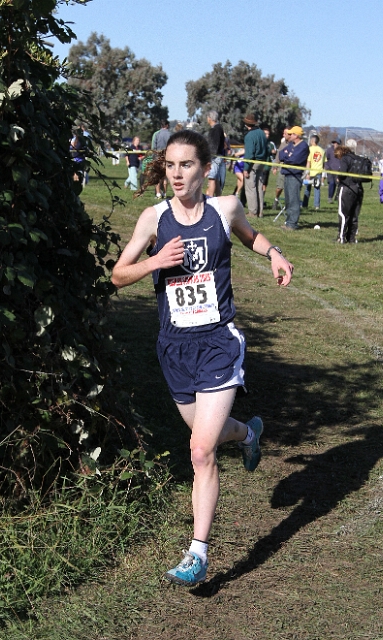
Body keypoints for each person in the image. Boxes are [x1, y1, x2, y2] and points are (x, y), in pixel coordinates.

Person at [112, 129, 293, 586]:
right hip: (174, 347)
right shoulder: (153, 220)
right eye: (170, 165)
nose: (176, 174)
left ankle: (198, 552)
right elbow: (117, 275)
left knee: (200, 450)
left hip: (218, 341)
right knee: (208, 438)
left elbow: (251, 236)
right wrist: (155, 262)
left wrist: (273, 254)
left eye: (186, 165)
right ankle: (248, 432)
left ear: (205, 169)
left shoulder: (224, 209)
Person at [279, 126, 310, 230]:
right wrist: (287, 156)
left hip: (295, 176)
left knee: (293, 199)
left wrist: (287, 157)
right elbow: (281, 154)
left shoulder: (303, 146)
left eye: (291, 134)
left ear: (296, 135)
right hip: (287, 174)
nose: (289, 135)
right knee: (288, 200)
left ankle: (292, 223)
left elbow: (294, 159)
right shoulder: (290, 145)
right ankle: (288, 222)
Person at [334, 140, 363, 243]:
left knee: (343, 214)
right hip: (358, 189)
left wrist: (338, 177)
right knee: (354, 215)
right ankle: (351, 238)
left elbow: (342, 173)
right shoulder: (358, 159)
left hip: (347, 188)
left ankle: (341, 237)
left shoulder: (345, 159)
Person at [242, 113, 269, 218]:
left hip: (253, 163)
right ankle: (260, 212)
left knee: (250, 188)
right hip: (262, 162)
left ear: (246, 124)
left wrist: (246, 168)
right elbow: (266, 149)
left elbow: (249, 154)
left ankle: (253, 212)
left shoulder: (249, 136)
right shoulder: (262, 133)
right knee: (259, 187)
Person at [302, 134, 325, 211]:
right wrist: (323, 176)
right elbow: (324, 163)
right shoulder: (322, 150)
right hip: (319, 172)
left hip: (311, 172)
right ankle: (317, 205)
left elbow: (308, 162)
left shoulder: (309, 149)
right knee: (317, 189)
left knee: (307, 189)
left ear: (312, 141)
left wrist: (307, 173)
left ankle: (305, 204)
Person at [206, 111, 226, 197]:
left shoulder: (216, 129)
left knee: (212, 179)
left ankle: (210, 198)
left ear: (210, 118)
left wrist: (210, 155)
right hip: (218, 156)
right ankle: (218, 198)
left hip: (214, 157)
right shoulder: (218, 128)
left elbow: (214, 144)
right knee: (216, 179)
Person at [152, 120, 171, 198]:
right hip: (167, 157)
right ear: (167, 125)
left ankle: (158, 193)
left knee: (157, 176)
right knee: (165, 176)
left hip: (158, 157)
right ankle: (164, 193)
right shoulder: (170, 134)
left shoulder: (156, 134)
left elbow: (153, 147)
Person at [273, 128, 289, 210]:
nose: (283, 135)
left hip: (291, 170)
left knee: (289, 188)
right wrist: (275, 167)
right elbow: (278, 156)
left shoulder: (295, 144)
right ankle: (276, 199)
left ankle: (288, 204)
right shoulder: (283, 144)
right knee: (279, 187)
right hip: (282, 169)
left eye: (285, 133)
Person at [261, 126, 277, 200]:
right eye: (265, 134)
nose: (267, 136)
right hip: (259, 166)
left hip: (266, 167)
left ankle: (262, 199)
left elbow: (274, 155)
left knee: (264, 184)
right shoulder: (260, 142)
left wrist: (274, 167)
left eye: (268, 134)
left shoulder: (271, 144)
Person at [325, 137, 341, 203]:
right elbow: (326, 159)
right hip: (330, 170)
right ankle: (330, 197)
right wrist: (326, 166)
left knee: (337, 184)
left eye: (337, 143)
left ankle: (337, 197)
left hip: (338, 171)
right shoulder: (329, 150)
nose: (335, 144)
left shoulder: (341, 151)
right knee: (331, 183)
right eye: (334, 142)